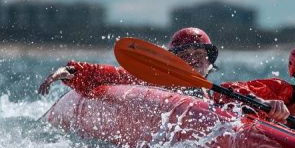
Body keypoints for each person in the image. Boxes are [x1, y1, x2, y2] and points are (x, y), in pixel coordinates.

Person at [37, 27, 218, 97]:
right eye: (185, 54)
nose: (193, 58)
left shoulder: (215, 92)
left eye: (199, 53)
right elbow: (107, 75)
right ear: (172, 60)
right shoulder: (154, 81)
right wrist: (70, 72)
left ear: (208, 60)